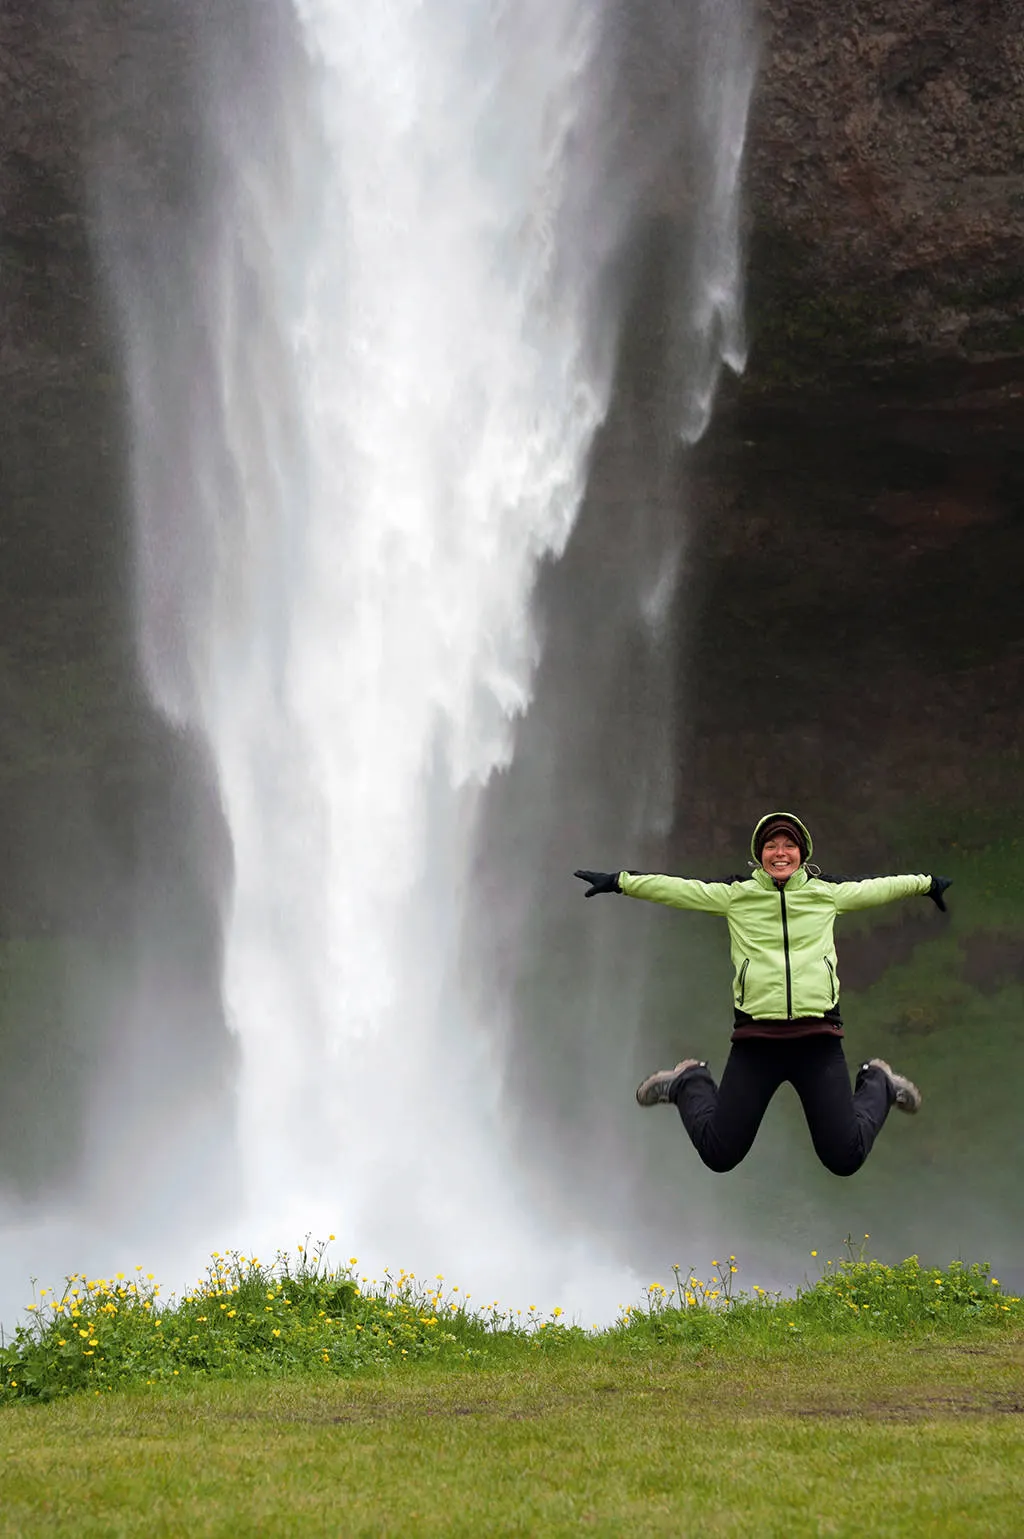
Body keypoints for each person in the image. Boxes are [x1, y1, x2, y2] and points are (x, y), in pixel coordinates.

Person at [574, 813, 951, 1177]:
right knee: (719, 1153)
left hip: (817, 1042)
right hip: (757, 1043)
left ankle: (879, 1083)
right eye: (771, 845)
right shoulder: (736, 896)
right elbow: (677, 889)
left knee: (845, 1157)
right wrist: (620, 881)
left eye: (789, 845)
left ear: (803, 854)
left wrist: (927, 883)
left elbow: (882, 887)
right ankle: (689, 1081)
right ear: (759, 854)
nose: (781, 852)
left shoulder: (827, 894)